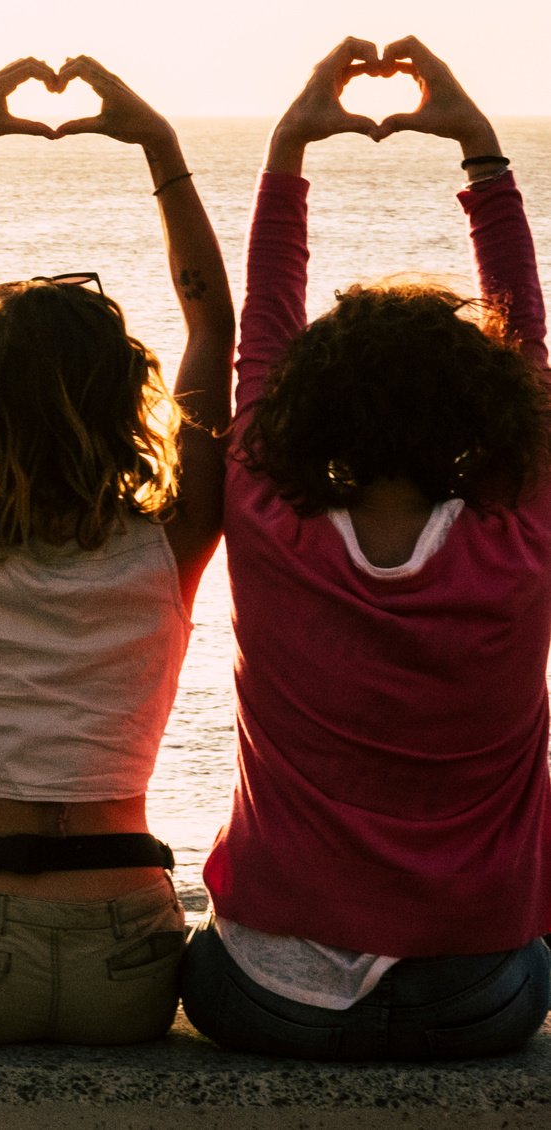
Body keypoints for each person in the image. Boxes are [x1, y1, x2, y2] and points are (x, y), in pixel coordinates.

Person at [182, 37, 551, 1061]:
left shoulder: (268, 521)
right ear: (488, 415)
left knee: (195, 962)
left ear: (312, 411)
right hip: (477, 993)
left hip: (268, 995)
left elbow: (262, 331)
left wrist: (291, 145)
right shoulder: (521, 538)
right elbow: (529, 350)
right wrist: (481, 151)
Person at [0, 57, 235, 1045]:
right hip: (128, 955)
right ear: (127, 397)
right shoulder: (174, 538)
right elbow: (213, 324)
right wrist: (157, 144)